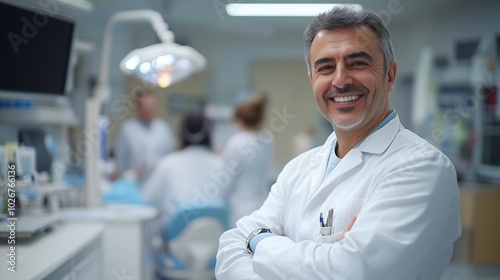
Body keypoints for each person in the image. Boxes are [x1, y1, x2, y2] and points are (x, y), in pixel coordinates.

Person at [215, 6, 461, 280]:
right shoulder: (298, 169)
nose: (341, 80)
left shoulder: (423, 168)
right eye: (326, 67)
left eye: (358, 63)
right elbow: (228, 251)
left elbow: (352, 272)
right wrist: (322, 260)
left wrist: (259, 241)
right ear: (312, 81)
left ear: (389, 76)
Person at [142, 112, 225, 229]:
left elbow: (147, 199)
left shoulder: (167, 164)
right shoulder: (221, 165)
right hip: (214, 237)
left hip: (175, 238)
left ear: (181, 134)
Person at [222, 94, 274, 226]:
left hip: (239, 209)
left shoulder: (236, 142)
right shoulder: (267, 139)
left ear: (239, 120)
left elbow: (227, 178)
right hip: (262, 205)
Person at [115, 91, 175, 184]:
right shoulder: (128, 129)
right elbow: (121, 160)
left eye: (151, 107)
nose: (148, 110)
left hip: (158, 182)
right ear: (138, 107)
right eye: (145, 107)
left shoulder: (164, 128)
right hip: (134, 183)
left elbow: (170, 158)